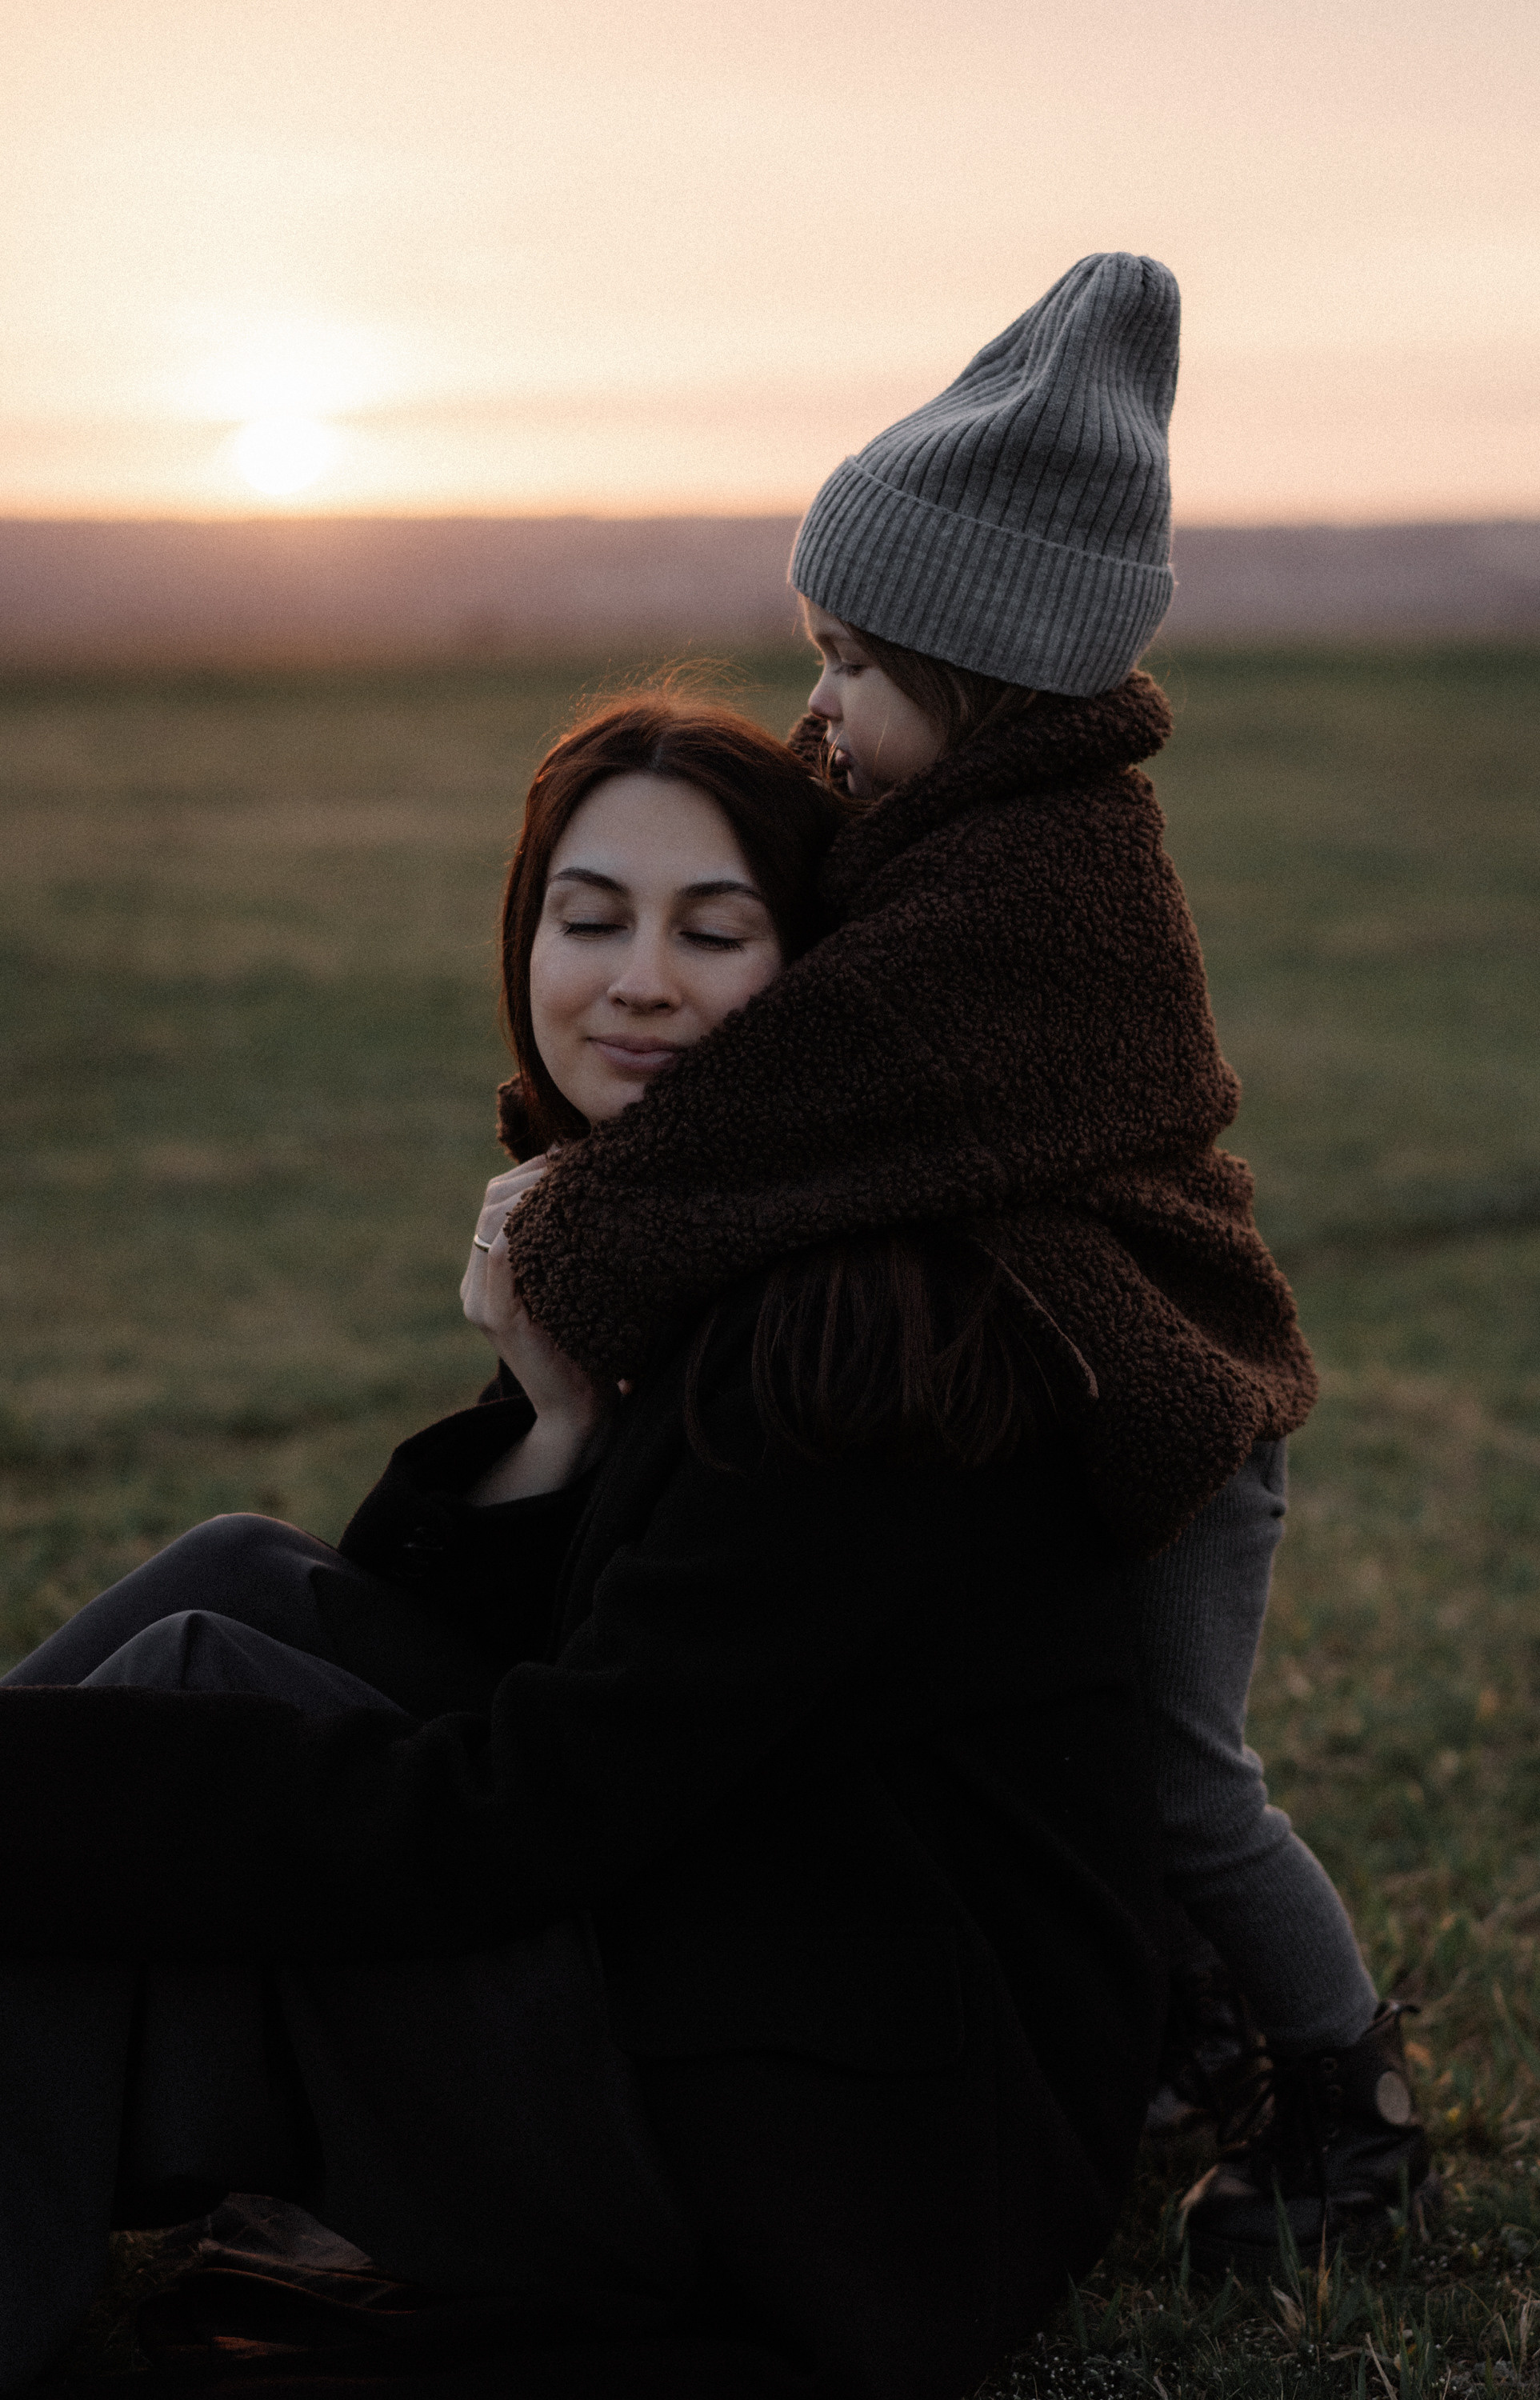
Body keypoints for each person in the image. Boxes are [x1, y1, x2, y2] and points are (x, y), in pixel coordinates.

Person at [0, 697, 1166, 2400]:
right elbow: (561, 1668)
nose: (637, 980)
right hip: (742, 1954)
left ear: (819, 972)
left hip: (850, 2164)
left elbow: (525, 1813)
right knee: (240, 1581)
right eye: (589, 914)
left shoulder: (862, 1334)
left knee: (174, 1714)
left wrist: (44, 1788)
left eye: (717, 932)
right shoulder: (712, 1225)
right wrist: (550, 1419)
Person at [498, 253, 1438, 2272]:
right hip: (1065, 1376)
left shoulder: (1043, 882)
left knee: (1185, 1775)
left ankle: (1344, 2094)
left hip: (1169, 1401)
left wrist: (576, 1227)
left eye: (848, 661)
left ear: (979, 661)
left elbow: (796, 1095)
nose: (814, 705)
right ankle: (1171, 2035)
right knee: (1071, 1738)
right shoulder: (962, 830)